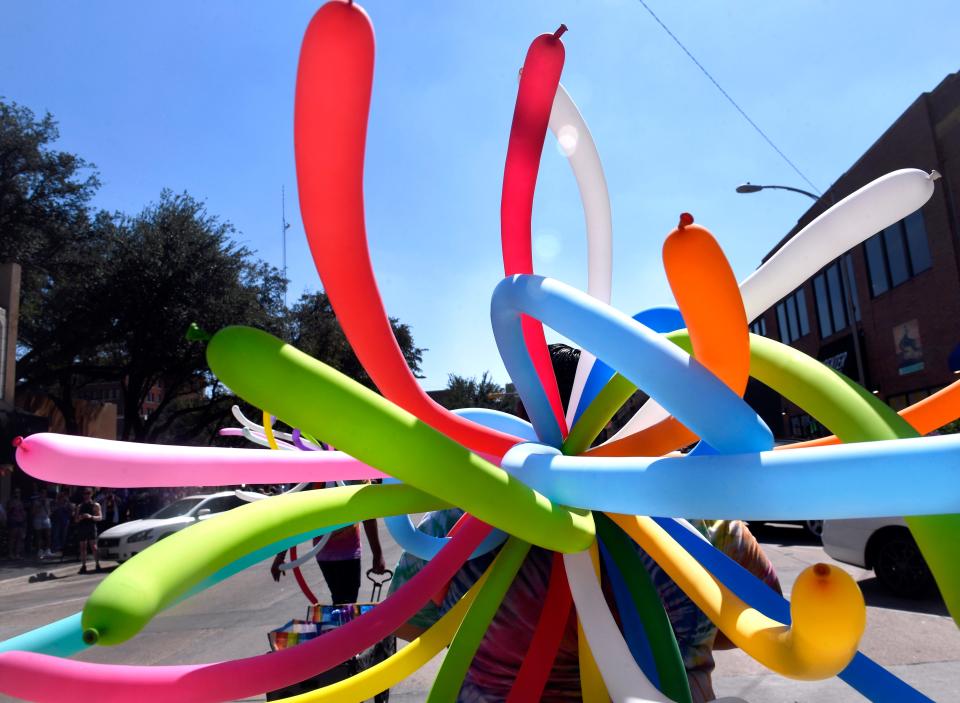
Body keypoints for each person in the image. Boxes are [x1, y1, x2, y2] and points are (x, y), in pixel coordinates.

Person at [270, 482, 387, 604]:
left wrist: (378, 555)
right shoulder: (317, 477)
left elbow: (367, 514)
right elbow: (294, 517)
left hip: (335, 551)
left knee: (342, 600)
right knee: (346, 601)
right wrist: (377, 555)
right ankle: (343, 621)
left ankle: (342, 621)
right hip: (338, 551)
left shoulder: (321, 476)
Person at [75, 487, 102, 573]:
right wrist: (80, 518)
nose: (86, 495)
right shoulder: (80, 506)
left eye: (88, 493)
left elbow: (100, 517)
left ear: (91, 494)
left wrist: (91, 516)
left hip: (91, 526)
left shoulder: (95, 505)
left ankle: (97, 564)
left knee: (93, 546)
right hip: (82, 527)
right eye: (85, 494)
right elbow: (75, 520)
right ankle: (83, 566)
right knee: (82, 547)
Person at [31, 490, 53, 559]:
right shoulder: (36, 502)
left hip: (46, 518)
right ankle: (40, 550)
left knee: (48, 534)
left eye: (44, 494)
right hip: (38, 518)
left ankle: (48, 550)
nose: (43, 495)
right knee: (38, 535)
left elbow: (49, 511)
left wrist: (46, 507)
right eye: (42, 493)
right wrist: (39, 506)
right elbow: (33, 512)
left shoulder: (48, 501)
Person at [5, 488, 26, 560]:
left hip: (20, 521)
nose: (17, 494)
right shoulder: (10, 501)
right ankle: (10, 554)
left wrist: (23, 517)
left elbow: (22, 511)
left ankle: (17, 553)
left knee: (19, 538)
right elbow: (8, 511)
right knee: (12, 538)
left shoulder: (20, 502)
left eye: (18, 492)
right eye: (16, 492)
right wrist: (12, 508)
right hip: (13, 521)